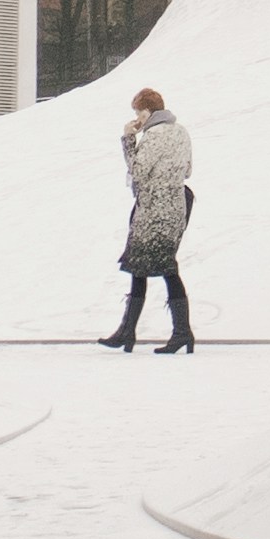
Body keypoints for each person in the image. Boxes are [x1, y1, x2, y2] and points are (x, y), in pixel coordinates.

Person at [105, 86, 197, 355]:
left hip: (154, 210)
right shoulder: (181, 132)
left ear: (147, 111)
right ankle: (132, 331)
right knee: (146, 265)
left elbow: (138, 171)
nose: (137, 118)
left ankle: (177, 332)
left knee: (160, 268)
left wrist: (128, 138)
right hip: (175, 208)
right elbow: (188, 170)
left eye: (138, 113)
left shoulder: (154, 135)